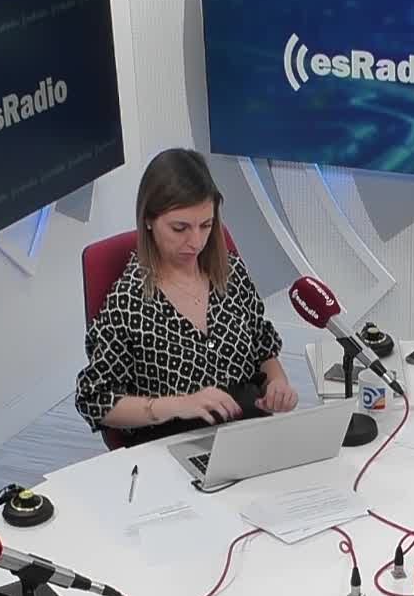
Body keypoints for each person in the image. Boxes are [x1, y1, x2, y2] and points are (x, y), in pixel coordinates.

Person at [75, 148, 298, 444]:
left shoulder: (230, 272)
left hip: (245, 432)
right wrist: (177, 405)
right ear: (149, 220)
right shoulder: (129, 302)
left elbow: (262, 348)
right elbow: (95, 399)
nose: (195, 242)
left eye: (206, 226)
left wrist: (277, 383)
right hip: (174, 441)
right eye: (180, 228)